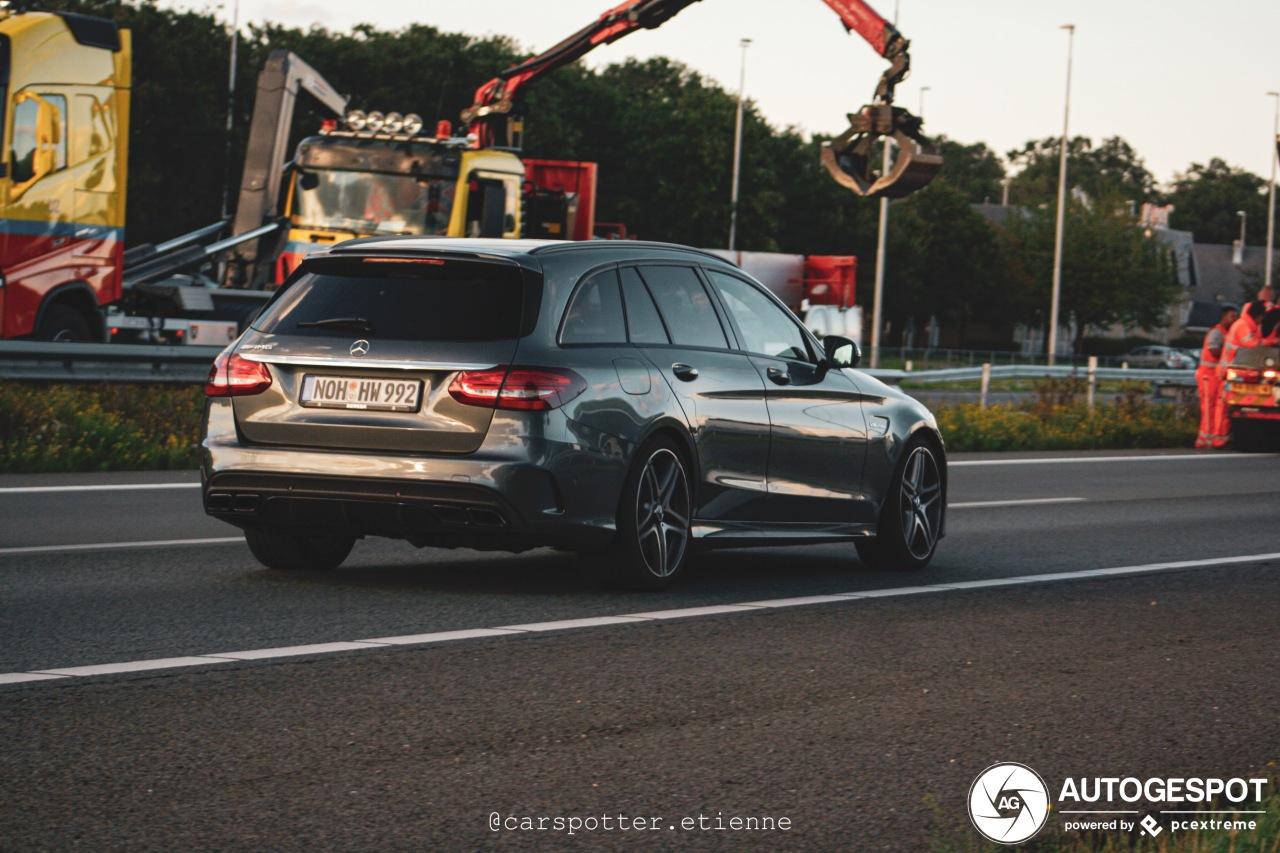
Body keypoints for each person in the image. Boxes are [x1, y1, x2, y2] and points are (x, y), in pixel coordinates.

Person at [1214, 300, 1267, 447]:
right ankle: (1219, 439)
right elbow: (1250, 345)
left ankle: (1221, 438)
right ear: (1258, 316)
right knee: (1224, 408)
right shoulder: (1243, 325)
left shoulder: (1246, 325)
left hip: (1232, 372)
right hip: (1229, 372)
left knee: (1225, 407)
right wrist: (1267, 345)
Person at [1195, 304, 1238, 448]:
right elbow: (1214, 351)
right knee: (1208, 408)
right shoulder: (1216, 333)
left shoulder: (1227, 333)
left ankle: (1212, 437)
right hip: (1208, 375)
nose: (1235, 319)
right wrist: (1228, 352)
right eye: (1232, 316)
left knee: (1215, 408)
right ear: (1223, 317)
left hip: (1216, 375)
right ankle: (1205, 439)